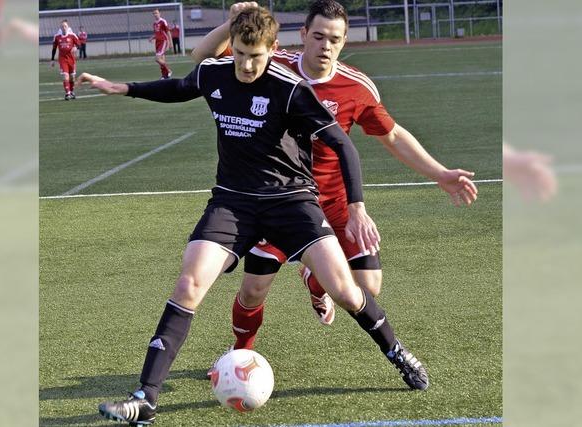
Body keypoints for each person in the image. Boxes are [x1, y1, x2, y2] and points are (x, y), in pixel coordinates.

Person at [79, 7, 424, 425]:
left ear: (272, 51)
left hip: (292, 202)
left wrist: (356, 209)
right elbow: (179, 86)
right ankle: (145, 398)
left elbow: (343, 145)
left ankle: (396, 351)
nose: (246, 65)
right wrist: (123, 88)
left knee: (346, 291)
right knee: (189, 283)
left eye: (255, 57)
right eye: (240, 54)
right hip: (232, 203)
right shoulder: (216, 73)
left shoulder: (291, 88)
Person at [193, 0, 477, 376]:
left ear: (344, 42)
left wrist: (439, 173)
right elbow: (205, 59)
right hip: (281, 199)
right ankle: (240, 354)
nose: (326, 46)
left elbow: (391, 135)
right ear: (303, 36)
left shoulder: (356, 86)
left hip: (334, 202)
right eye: (319, 36)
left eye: (336, 39)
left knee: (366, 287)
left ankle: (315, 277)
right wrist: (231, 22)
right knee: (252, 292)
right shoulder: (270, 65)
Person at [51, 19, 80, 101]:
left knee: (72, 77)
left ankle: (71, 92)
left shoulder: (72, 35)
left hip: (71, 59)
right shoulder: (57, 37)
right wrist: (52, 60)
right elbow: (54, 49)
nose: (64, 28)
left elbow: (79, 44)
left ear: (68, 27)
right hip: (62, 59)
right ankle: (67, 94)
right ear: (60, 28)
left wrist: (76, 47)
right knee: (65, 76)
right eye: (62, 26)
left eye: (65, 26)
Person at [148, 9, 172, 79]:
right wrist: (152, 38)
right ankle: (164, 75)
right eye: (154, 13)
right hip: (157, 42)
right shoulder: (154, 24)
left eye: (156, 13)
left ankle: (168, 70)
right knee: (162, 59)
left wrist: (170, 43)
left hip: (163, 41)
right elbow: (157, 34)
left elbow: (168, 32)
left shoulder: (163, 21)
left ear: (160, 13)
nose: (155, 14)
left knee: (157, 59)